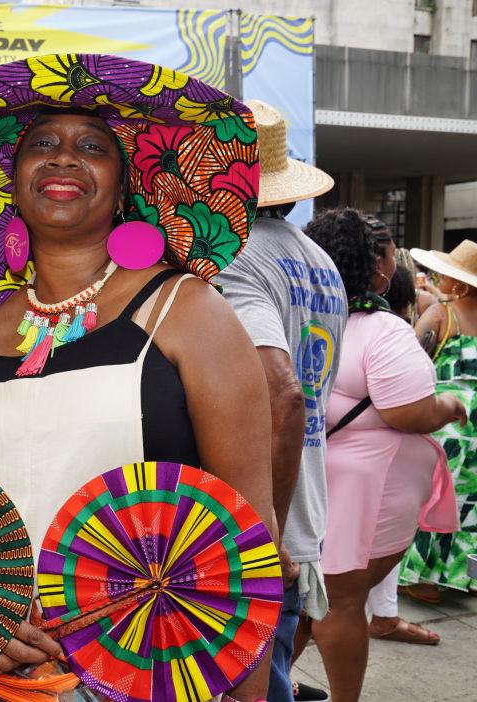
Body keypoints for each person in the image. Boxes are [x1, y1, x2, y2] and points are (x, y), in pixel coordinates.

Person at [0, 55, 277, 701]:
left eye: (92, 147)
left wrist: (249, 694)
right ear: (11, 183)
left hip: (153, 673)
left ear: (123, 190)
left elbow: (251, 535)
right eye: (42, 146)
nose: (64, 158)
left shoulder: (186, 312)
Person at [302, 209, 465, 701]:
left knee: (312, 598)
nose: (395, 263)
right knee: (342, 601)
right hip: (367, 487)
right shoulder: (384, 330)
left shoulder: (305, 318)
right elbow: (409, 412)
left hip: (320, 476)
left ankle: (271, 689)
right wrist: (449, 406)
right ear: (374, 264)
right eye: (391, 253)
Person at [213, 100, 344, 702]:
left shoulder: (236, 257)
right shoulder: (316, 259)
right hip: (299, 514)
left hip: (258, 532)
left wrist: (261, 535)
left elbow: (284, 395)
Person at [363, 263, 441, 645]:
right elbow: (412, 411)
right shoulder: (392, 333)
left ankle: (383, 613)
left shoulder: (357, 328)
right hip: (384, 469)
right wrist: (447, 409)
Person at [399, 240, 477, 601]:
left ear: (459, 282)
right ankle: (467, 575)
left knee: (435, 495)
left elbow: (408, 361)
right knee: (470, 499)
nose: (439, 277)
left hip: (448, 416)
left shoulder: (442, 315)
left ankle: (422, 576)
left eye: (446, 273)